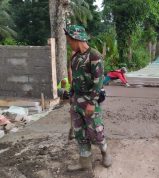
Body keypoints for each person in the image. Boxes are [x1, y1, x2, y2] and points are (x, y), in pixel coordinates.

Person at [64, 25, 112, 173]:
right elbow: (74, 78)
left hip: (90, 101)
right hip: (76, 101)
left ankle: (104, 153)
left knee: (96, 132)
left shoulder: (94, 56)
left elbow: (99, 82)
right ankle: (85, 163)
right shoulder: (75, 56)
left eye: (68, 40)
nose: (68, 42)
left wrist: (92, 103)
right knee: (80, 133)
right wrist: (71, 95)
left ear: (76, 38)